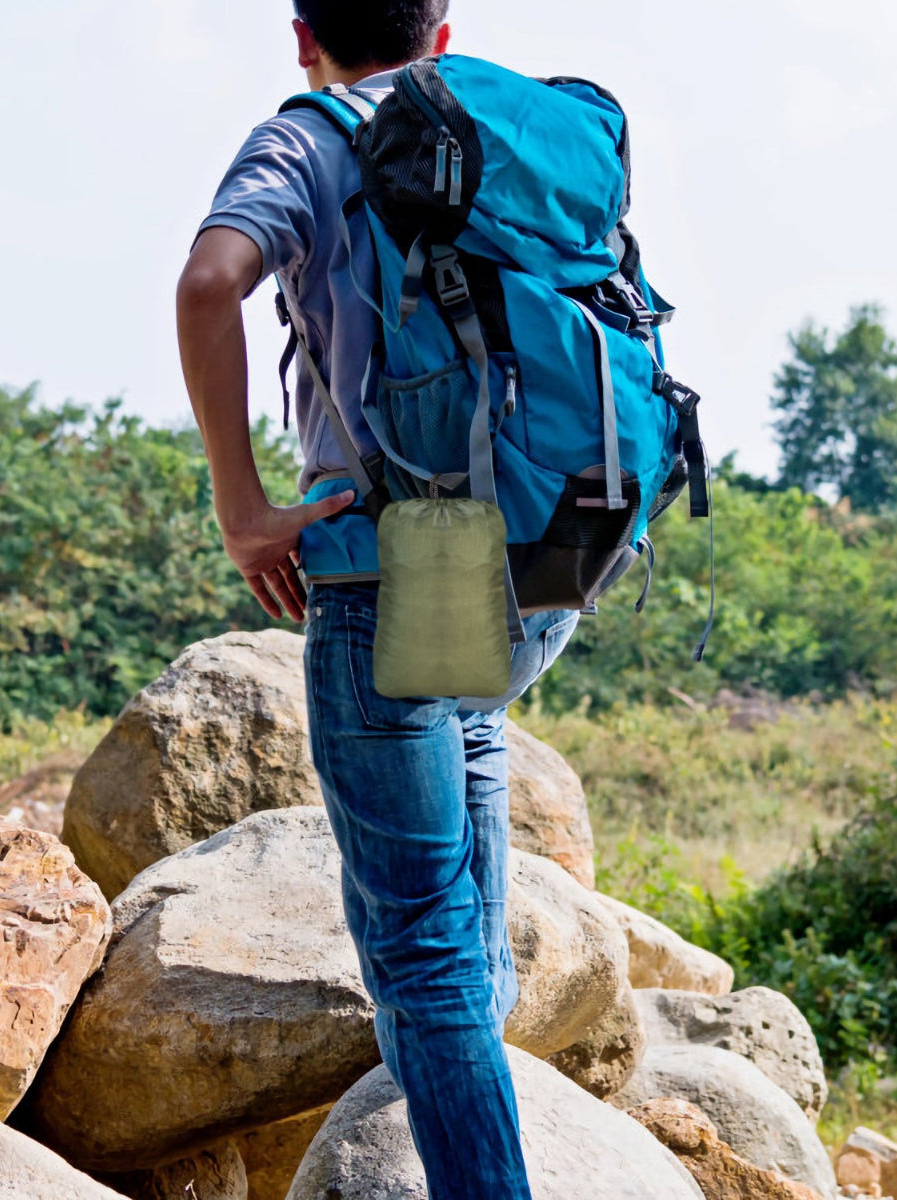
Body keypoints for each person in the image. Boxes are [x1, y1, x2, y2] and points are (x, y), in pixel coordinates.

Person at [175, 4, 578, 1197]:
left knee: (420, 957)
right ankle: (471, 1066)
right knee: (471, 730)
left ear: (302, 32)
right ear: (442, 34)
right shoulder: (502, 125)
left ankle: (472, 1133)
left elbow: (209, 283)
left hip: (384, 566)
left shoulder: (310, 134)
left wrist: (242, 510)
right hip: (533, 549)